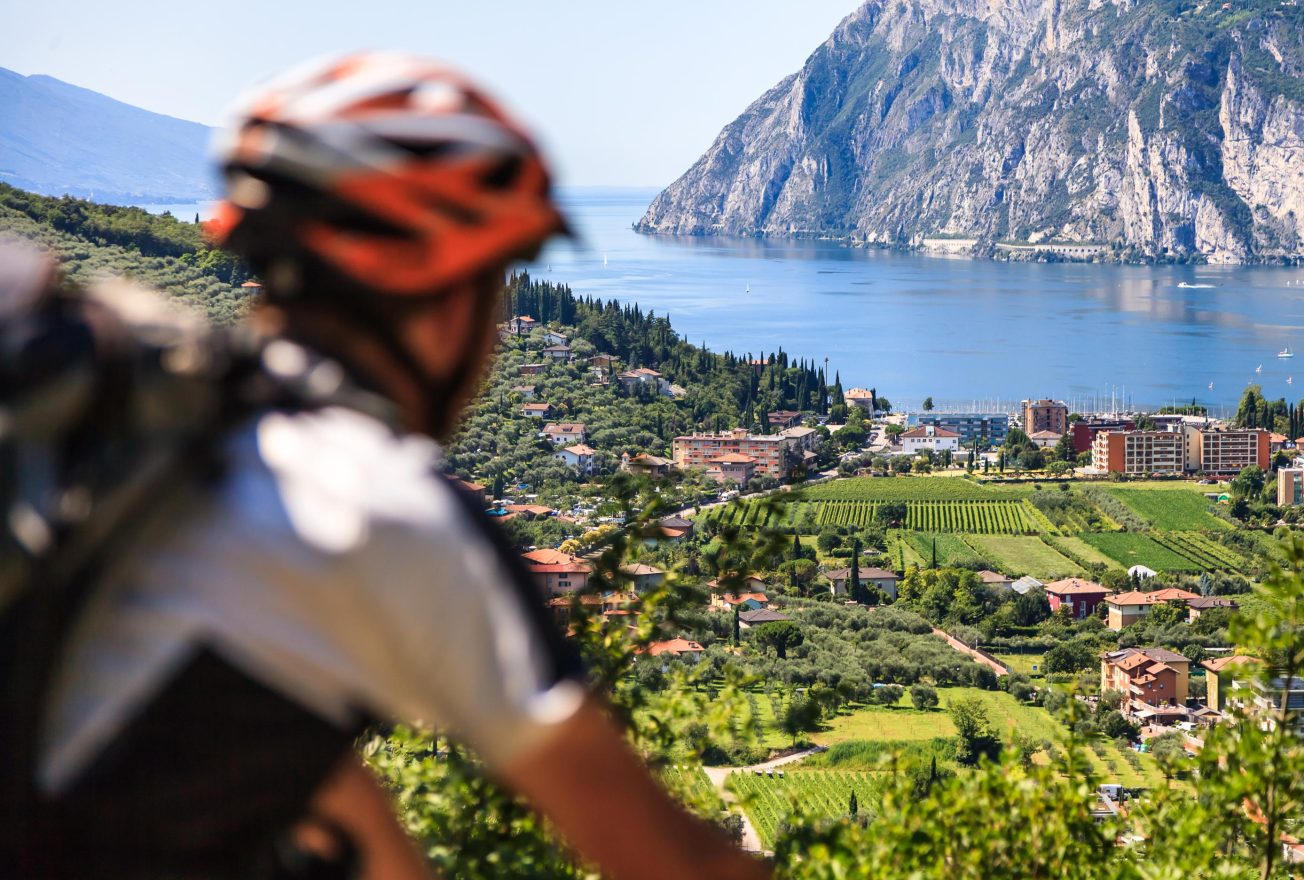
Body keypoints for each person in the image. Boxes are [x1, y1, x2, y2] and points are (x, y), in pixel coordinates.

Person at [24, 52, 768, 880]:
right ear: (442, 295)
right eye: (496, 291)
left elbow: (321, 785)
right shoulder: (384, 509)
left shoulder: (163, 455)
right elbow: (668, 862)